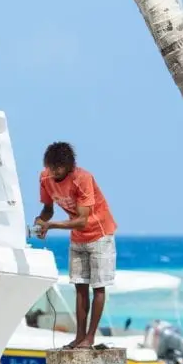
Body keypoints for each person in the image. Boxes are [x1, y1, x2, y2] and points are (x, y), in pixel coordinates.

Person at [33, 142, 117, 349]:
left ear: (69, 166)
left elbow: (82, 219)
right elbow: (48, 209)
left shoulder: (82, 178)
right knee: (79, 286)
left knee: (98, 287)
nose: (54, 172)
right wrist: (41, 221)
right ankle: (79, 337)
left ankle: (90, 337)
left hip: (100, 234)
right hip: (78, 238)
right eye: (51, 167)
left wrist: (51, 226)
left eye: (58, 168)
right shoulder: (45, 177)